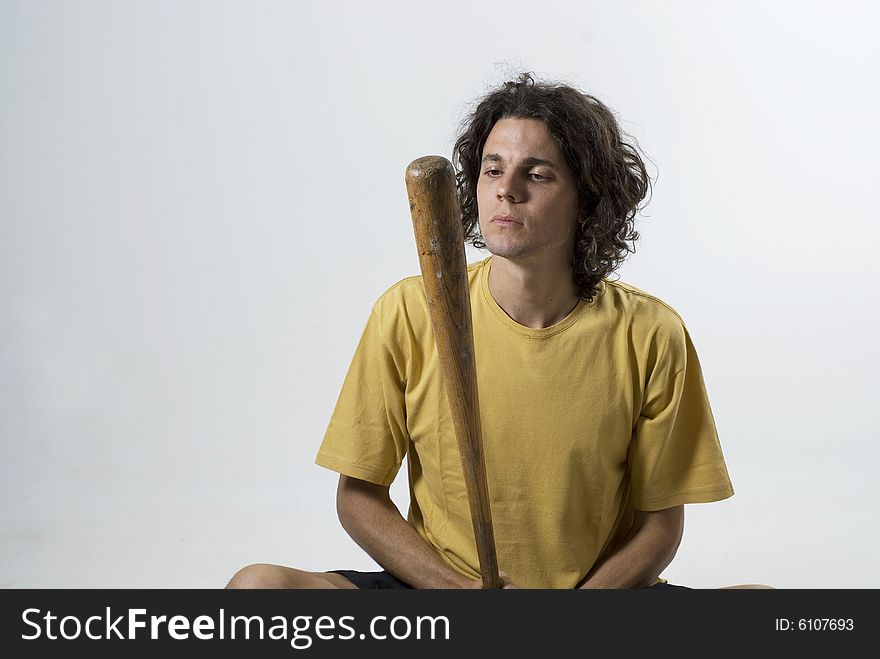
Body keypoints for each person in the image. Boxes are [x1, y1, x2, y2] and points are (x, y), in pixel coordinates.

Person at [227, 73, 760, 590]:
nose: (506, 191)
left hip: (594, 602)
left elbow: (659, 528)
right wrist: (454, 592)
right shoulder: (410, 312)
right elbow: (358, 497)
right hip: (438, 594)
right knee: (259, 589)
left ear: (587, 200)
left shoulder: (649, 333)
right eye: (492, 169)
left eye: (538, 174)